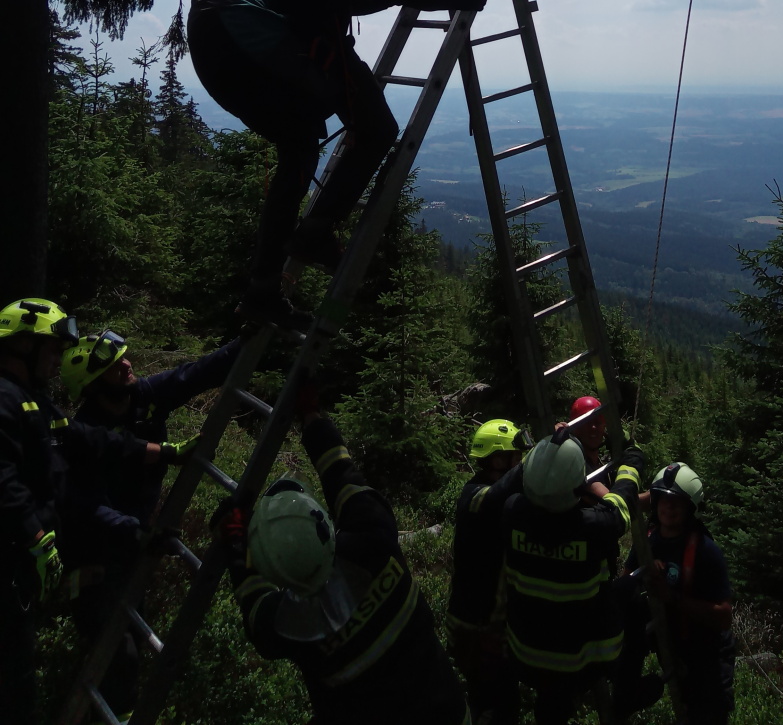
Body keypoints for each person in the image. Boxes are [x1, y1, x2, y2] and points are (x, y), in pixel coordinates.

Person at [188, 0, 489, 328]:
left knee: (299, 147)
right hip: (251, 31)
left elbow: (348, 1)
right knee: (378, 129)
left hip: (217, 36)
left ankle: (262, 292)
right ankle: (314, 233)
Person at [216, 388, 471, 724]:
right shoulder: (373, 539)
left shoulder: (288, 627)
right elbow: (340, 472)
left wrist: (235, 541)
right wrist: (311, 417)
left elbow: (253, 602)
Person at [0, 298, 186, 724]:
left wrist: (161, 452)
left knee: (18, 677)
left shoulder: (35, 404)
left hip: (22, 569)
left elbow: (92, 439)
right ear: (23, 347)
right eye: (50, 351)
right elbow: (2, 479)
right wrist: (35, 537)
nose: (55, 362)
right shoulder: (5, 402)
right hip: (12, 560)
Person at [59, 328, 240, 722]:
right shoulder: (84, 437)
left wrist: (245, 343)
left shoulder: (141, 397)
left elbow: (194, 375)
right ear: (92, 384)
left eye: (123, 356)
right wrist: (138, 532)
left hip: (132, 542)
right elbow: (89, 510)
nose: (127, 364)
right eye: (113, 364)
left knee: (132, 644)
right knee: (116, 652)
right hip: (91, 557)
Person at [500, 427, 649, 725]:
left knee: (551, 705)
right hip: (583, 662)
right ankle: (627, 689)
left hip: (525, 655)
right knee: (634, 593)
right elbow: (621, 500)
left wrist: (551, 450)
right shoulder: (594, 527)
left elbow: (526, 479)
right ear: (576, 486)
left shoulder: (512, 511)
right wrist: (631, 460)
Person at [617, 462, 735, 725]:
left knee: (706, 715)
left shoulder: (706, 551)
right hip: (668, 640)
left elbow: (724, 617)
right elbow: (626, 583)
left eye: (677, 502)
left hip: (707, 656)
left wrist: (672, 597)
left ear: (690, 507)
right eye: (663, 499)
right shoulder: (648, 542)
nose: (668, 507)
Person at [447, 418, 531, 725]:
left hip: (485, 625)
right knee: (494, 706)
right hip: (474, 626)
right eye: (516, 455)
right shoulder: (475, 496)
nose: (520, 460)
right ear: (497, 459)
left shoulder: (496, 496)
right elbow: (496, 497)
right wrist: (543, 453)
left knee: (495, 701)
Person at [566, 395, 610, 494]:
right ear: (576, 428)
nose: (593, 427)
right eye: (587, 423)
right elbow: (611, 502)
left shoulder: (603, 466)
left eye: (597, 422)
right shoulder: (574, 463)